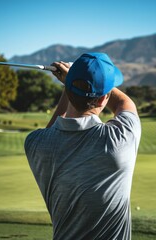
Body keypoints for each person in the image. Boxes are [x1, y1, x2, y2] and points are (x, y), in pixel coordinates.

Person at [24, 53, 141, 240]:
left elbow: (52, 130)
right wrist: (75, 80)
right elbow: (123, 102)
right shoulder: (120, 139)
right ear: (103, 99)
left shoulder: (35, 143)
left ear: (67, 91)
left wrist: (72, 83)